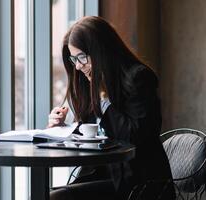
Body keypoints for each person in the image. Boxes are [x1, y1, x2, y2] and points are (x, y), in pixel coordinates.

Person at [48, 16, 175, 200]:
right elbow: (91, 133)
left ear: (100, 51)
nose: (77, 66)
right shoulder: (90, 81)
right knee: (47, 194)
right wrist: (61, 129)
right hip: (105, 175)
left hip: (138, 183)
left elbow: (135, 136)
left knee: (56, 198)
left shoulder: (138, 78)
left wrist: (104, 96)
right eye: (73, 59)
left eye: (82, 57)